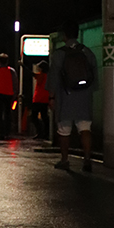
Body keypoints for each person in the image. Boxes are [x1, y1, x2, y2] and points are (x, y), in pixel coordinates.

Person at [47, 20, 98, 171]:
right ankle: (87, 159)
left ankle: (64, 160)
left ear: (64, 35)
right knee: (85, 128)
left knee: (64, 130)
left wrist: (51, 97)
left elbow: (53, 78)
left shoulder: (59, 54)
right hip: (84, 96)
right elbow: (94, 77)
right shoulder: (87, 52)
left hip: (65, 96)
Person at [0, 53, 16, 139]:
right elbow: (15, 83)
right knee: (8, 114)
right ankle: (7, 132)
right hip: (8, 94)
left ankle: (1, 132)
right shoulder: (11, 71)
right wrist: (15, 93)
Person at [28, 60, 51, 139]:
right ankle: (46, 133)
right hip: (45, 99)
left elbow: (32, 74)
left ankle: (40, 132)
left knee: (34, 117)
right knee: (45, 117)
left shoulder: (41, 75)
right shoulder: (48, 76)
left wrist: (23, 66)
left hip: (38, 99)